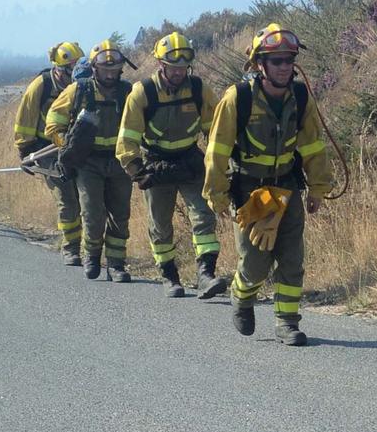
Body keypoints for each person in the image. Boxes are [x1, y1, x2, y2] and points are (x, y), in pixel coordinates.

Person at [205, 23, 333, 346]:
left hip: (288, 188)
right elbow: (217, 151)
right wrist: (217, 194)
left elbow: (313, 146)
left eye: (289, 60)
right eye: (276, 61)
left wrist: (318, 188)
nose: (284, 66)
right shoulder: (238, 99)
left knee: (292, 259)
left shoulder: (301, 97)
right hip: (251, 192)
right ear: (260, 64)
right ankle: (241, 293)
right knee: (255, 265)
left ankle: (287, 322)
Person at [120, 32, 228, 299]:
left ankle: (206, 275)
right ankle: (170, 277)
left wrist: (224, 164)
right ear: (161, 64)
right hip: (156, 165)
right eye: (173, 67)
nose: (179, 72)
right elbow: (127, 139)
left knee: (204, 216)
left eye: (183, 67)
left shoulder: (198, 88)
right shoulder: (142, 92)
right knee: (160, 225)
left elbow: (216, 130)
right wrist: (138, 172)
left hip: (190, 161)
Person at [46, 39, 135, 281]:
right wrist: (68, 144)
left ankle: (117, 265)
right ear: (94, 68)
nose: (109, 73)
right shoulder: (78, 91)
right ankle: (92, 256)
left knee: (120, 214)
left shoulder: (129, 92)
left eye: (114, 69)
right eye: (105, 69)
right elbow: (53, 122)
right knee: (92, 214)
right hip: (88, 163)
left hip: (119, 162)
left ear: (120, 69)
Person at [15, 42, 85, 265]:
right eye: (68, 71)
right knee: (66, 198)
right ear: (57, 69)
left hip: (76, 148)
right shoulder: (42, 85)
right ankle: (71, 248)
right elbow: (25, 119)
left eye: (76, 69)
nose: (72, 76)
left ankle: (87, 244)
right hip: (46, 149)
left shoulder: (86, 86)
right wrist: (25, 150)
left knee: (84, 197)